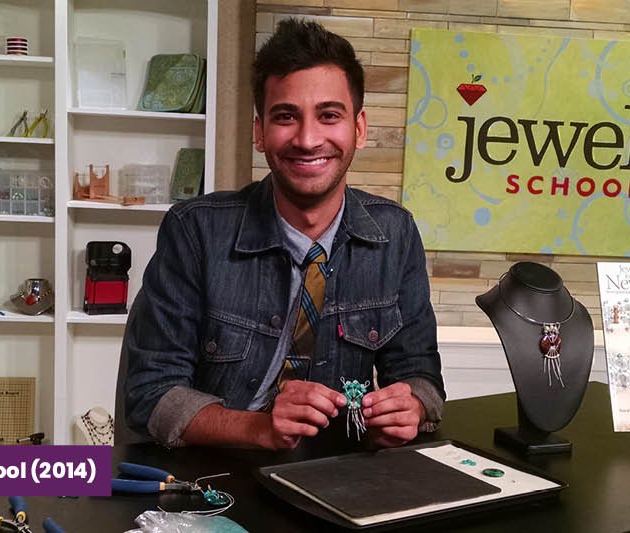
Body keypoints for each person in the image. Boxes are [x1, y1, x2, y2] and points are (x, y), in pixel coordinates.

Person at [120, 19, 444, 450]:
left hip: (337, 476)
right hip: (215, 475)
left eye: (329, 115)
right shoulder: (195, 230)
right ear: (260, 131)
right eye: (286, 117)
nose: (308, 139)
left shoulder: (396, 233)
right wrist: (260, 428)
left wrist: (413, 405)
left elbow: (421, 374)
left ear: (359, 129)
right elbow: (152, 396)